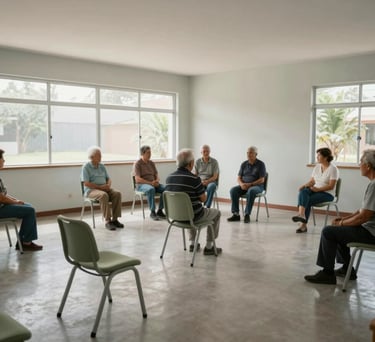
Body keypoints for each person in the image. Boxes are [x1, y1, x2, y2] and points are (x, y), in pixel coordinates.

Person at [305, 149, 375, 284]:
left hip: (371, 233)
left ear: (368, 166)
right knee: (338, 230)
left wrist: (342, 224)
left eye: (360, 162)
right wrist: (343, 220)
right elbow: (362, 211)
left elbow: (364, 217)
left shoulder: (374, 186)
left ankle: (327, 273)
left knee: (329, 231)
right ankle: (347, 269)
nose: (359, 165)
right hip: (369, 229)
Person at [165, 148, 222, 255]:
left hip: (175, 217)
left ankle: (192, 244)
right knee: (216, 213)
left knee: (187, 208)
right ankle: (209, 247)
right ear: (191, 163)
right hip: (193, 217)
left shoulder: (169, 178)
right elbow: (203, 199)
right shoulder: (194, 179)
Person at [0, 149, 43, 251]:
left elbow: (3, 194)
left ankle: (24, 241)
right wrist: (15, 202)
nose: (4, 161)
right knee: (30, 211)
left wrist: (16, 200)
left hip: (2, 206)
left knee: (28, 206)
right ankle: (25, 242)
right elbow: (1, 198)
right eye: (2, 158)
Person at [292, 148, 339, 233]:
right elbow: (312, 181)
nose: (317, 157)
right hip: (315, 190)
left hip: (327, 194)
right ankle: (302, 215)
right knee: (303, 192)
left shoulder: (333, 169)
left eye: (319, 155)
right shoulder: (317, 167)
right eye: (317, 155)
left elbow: (331, 186)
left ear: (326, 157)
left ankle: (303, 225)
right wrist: (304, 185)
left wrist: (318, 189)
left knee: (307, 200)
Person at [81, 146, 124, 230]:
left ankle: (115, 219)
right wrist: (100, 187)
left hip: (104, 188)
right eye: (99, 155)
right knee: (103, 195)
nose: (101, 157)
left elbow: (108, 178)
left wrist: (108, 185)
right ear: (92, 157)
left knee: (117, 194)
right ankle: (108, 221)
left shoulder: (102, 166)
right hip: (91, 191)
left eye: (101, 155)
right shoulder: (86, 167)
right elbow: (86, 183)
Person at [227, 146, 266, 223]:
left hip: (257, 186)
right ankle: (236, 214)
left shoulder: (261, 164)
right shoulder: (244, 164)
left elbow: (262, 179)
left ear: (256, 154)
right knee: (233, 190)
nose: (248, 154)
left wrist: (250, 184)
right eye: (247, 152)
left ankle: (247, 214)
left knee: (251, 191)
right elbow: (238, 178)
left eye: (251, 152)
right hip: (244, 185)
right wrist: (241, 184)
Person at [133, 145, 166, 220]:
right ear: (143, 153)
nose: (150, 154)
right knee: (151, 189)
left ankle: (160, 210)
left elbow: (156, 175)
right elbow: (137, 179)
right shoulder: (138, 164)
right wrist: (150, 183)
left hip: (153, 183)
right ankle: (152, 212)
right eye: (148, 153)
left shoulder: (151, 163)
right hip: (142, 185)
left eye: (150, 152)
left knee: (166, 189)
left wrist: (157, 181)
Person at [194, 144, 219, 208]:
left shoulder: (214, 162)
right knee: (194, 185)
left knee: (212, 186)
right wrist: (201, 181)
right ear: (201, 152)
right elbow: (195, 175)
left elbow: (215, 176)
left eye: (207, 151)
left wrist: (207, 181)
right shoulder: (197, 162)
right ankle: (197, 206)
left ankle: (207, 206)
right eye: (204, 151)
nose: (206, 153)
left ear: (209, 152)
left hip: (211, 181)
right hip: (200, 181)